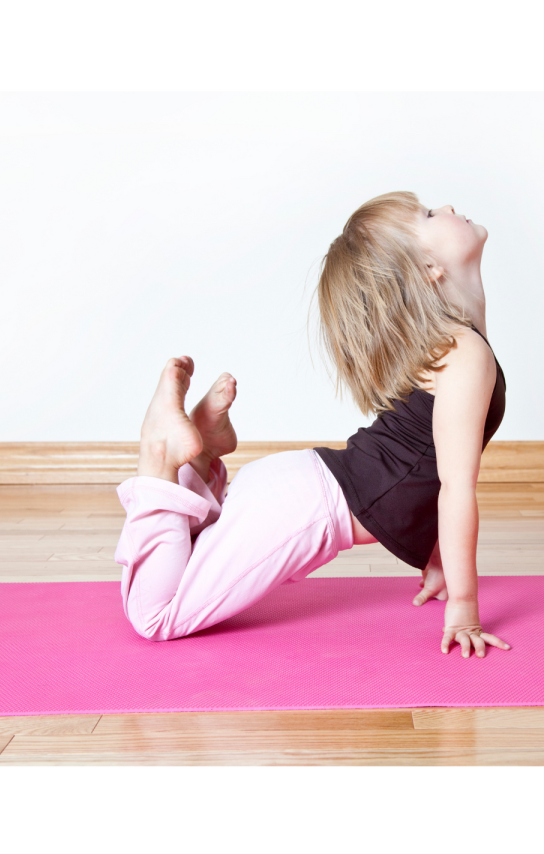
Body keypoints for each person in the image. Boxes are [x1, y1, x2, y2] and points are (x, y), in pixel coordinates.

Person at [113, 191, 510, 658]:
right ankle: (161, 458)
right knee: (155, 616)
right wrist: (464, 606)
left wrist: (435, 558)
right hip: (302, 509)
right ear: (428, 270)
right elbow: (454, 487)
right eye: (427, 214)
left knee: (197, 553)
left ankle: (199, 458)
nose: (445, 206)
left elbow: (424, 464)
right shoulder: (464, 354)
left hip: (299, 490)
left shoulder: (457, 345)